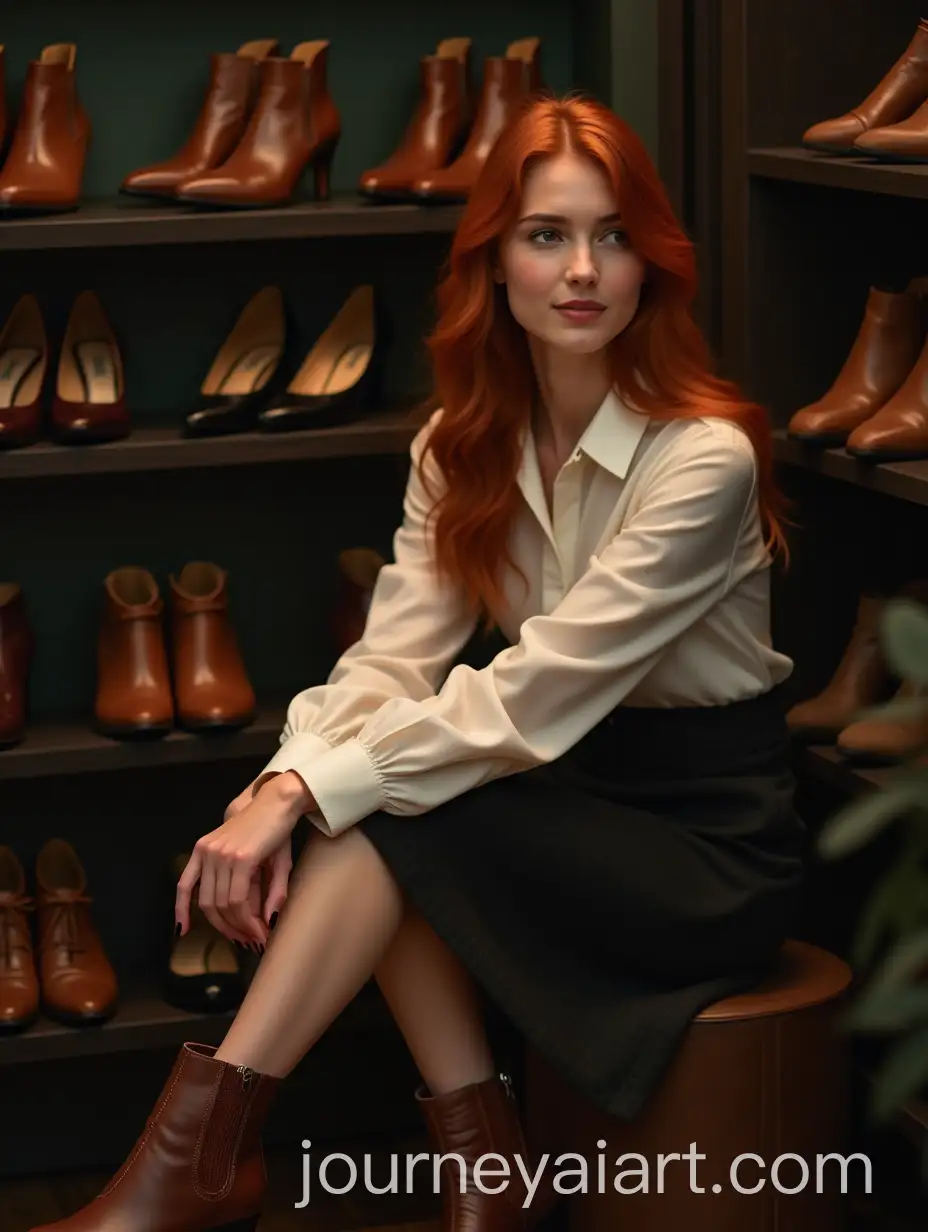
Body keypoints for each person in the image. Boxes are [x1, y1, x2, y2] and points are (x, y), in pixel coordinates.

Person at [32, 94, 806, 1232]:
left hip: (703, 839)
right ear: (494, 258)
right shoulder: (461, 440)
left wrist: (296, 790)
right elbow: (392, 654)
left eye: (613, 235)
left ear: (653, 262)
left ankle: (198, 1166)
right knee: (381, 797)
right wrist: (276, 785)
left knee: (381, 807)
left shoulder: (703, 456)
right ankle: (472, 1176)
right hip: (562, 795)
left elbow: (536, 690)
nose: (582, 268)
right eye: (546, 234)